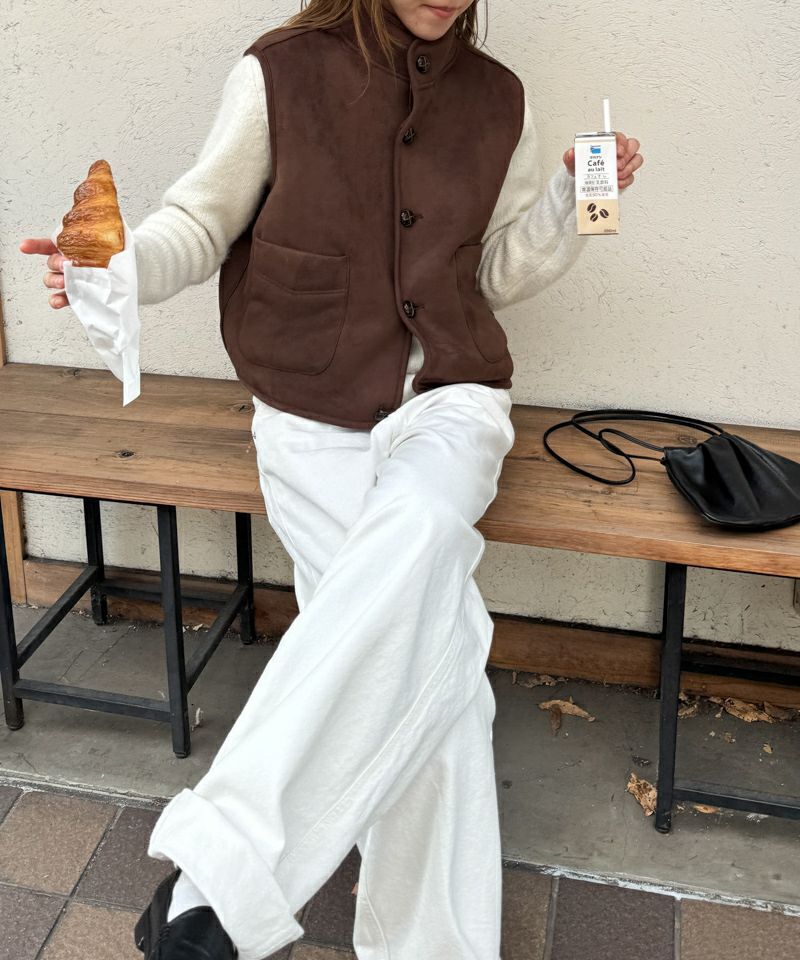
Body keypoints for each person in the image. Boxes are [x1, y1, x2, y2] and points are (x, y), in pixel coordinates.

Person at [20, 1, 643, 957]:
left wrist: (567, 204)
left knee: (423, 525)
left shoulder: (500, 99)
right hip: (312, 409)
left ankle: (216, 884)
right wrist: (118, 265)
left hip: (451, 399)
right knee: (436, 678)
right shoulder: (280, 71)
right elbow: (200, 221)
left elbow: (489, 274)